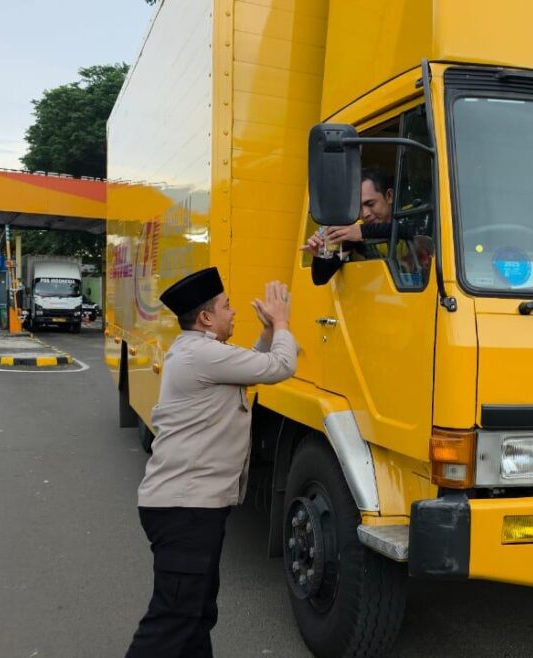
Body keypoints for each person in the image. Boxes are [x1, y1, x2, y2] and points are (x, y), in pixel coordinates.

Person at [126, 267, 297, 657]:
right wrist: (283, 321)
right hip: (184, 509)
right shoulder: (201, 354)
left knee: (197, 614)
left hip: (192, 507)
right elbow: (280, 367)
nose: (233, 312)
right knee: (173, 619)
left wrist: (269, 332)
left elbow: (250, 364)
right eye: (226, 306)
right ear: (205, 318)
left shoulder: (201, 353)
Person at [301, 167, 398, 285]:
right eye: (359, 208)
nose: (365, 214)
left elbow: (408, 229)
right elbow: (320, 278)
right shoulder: (353, 231)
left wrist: (362, 231)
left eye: (370, 204)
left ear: (389, 196)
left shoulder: (414, 218)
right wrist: (320, 255)